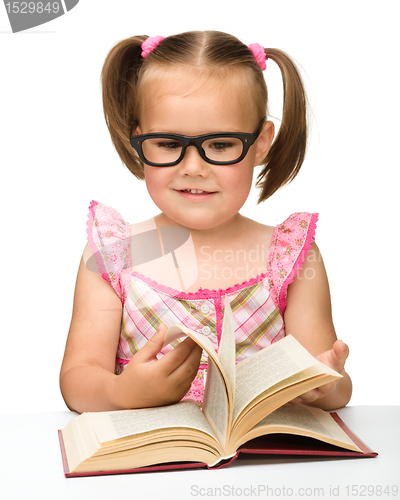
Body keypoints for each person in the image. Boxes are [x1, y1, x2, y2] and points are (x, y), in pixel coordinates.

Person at [59, 31, 352, 414]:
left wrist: (323, 384)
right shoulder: (117, 254)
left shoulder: (289, 256)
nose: (193, 168)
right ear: (139, 140)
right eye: (168, 144)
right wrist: (120, 393)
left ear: (260, 142)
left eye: (220, 145)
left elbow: (334, 385)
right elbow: (77, 378)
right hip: (150, 470)